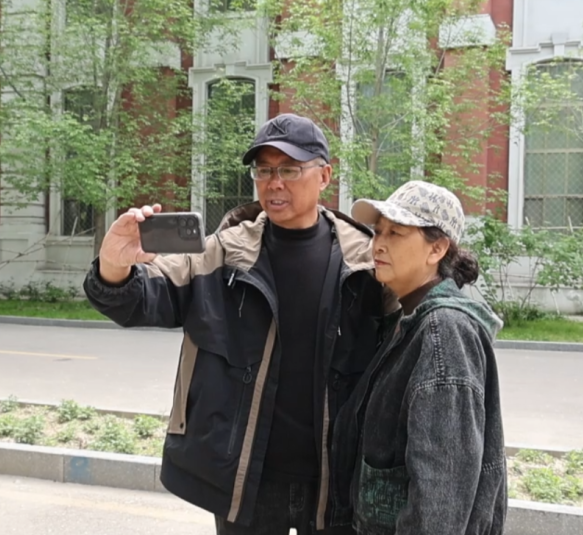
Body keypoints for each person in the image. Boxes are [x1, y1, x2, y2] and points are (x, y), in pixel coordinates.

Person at [83, 113, 399, 534]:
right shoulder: (222, 253)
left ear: (324, 175)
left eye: (289, 169)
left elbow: (418, 328)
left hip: (338, 481)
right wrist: (113, 263)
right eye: (264, 170)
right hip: (248, 481)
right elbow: (139, 298)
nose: (274, 182)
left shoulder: (365, 260)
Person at [327, 180, 507, 535]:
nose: (379, 244)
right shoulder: (408, 320)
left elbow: (441, 493)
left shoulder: (444, 332)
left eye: (396, 233)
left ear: (437, 249)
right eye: (378, 231)